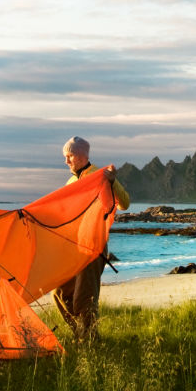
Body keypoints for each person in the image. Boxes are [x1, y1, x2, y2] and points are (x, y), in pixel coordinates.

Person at [53, 136, 130, 340]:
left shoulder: (101, 175)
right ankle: (82, 334)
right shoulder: (71, 181)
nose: (66, 161)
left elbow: (125, 204)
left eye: (69, 156)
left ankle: (89, 340)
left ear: (81, 155)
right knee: (59, 293)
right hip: (74, 247)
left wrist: (112, 183)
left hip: (93, 247)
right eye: (65, 157)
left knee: (84, 299)